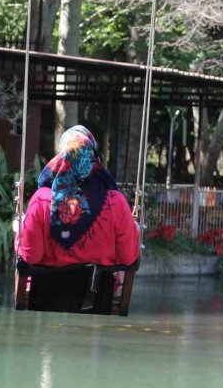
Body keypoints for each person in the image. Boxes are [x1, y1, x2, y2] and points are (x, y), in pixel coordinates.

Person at [17, 125, 140, 313]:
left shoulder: (41, 200)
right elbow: (129, 258)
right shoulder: (116, 202)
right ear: (93, 160)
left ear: (59, 159)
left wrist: (19, 235)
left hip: (46, 302)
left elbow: (30, 257)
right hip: (98, 302)